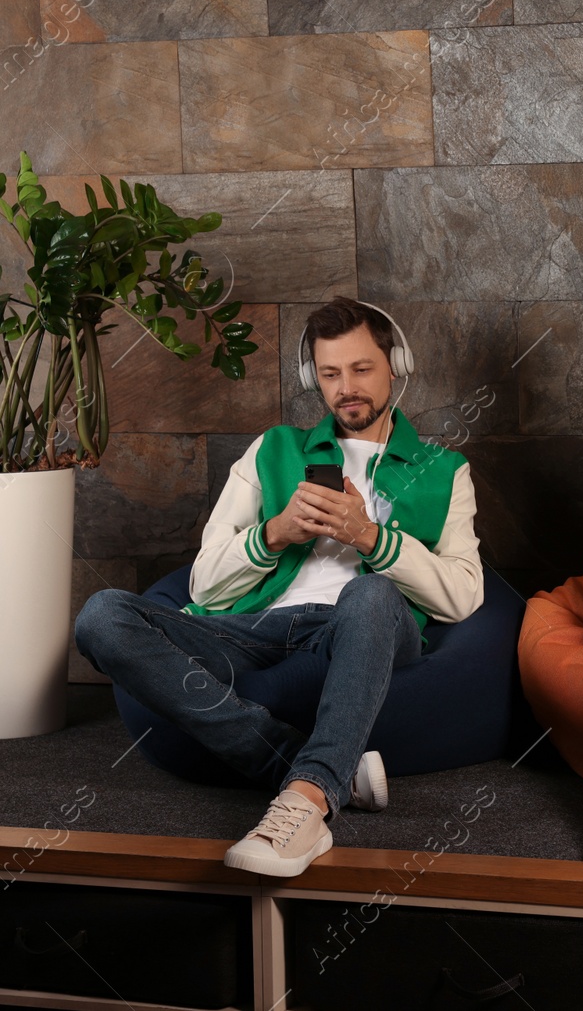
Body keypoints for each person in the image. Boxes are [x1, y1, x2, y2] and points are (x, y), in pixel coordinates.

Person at [75, 297, 483, 877]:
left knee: (366, 595)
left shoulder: (446, 470)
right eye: (330, 373)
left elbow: (464, 595)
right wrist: (274, 533)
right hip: (256, 627)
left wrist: (371, 538)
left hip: (364, 624)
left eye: (362, 369)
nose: (346, 388)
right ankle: (309, 768)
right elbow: (205, 585)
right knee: (101, 615)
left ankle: (305, 804)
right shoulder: (273, 449)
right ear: (311, 377)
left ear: (396, 365)